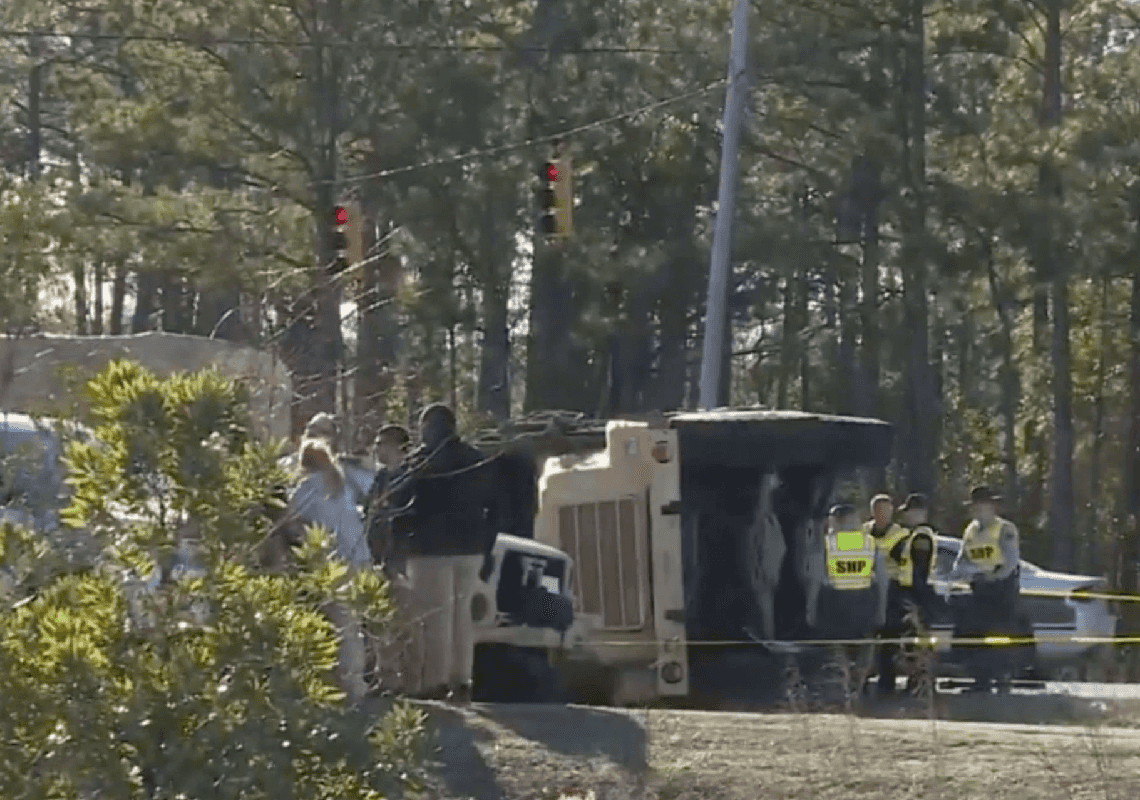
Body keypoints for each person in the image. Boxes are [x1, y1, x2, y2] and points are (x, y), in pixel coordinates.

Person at [387, 403, 499, 702]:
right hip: (470, 547)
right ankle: (462, 679)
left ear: (427, 428)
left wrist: (397, 546)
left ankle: (435, 682)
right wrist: (487, 546)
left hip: (429, 549)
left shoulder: (421, 462)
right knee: (463, 617)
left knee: (435, 617)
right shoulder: (476, 459)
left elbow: (399, 503)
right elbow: (494, 505)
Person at [284, 418, 372, 705]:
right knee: (352, 623)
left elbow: (290, 519)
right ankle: (355, 679)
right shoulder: (341, 484)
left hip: (333, 560)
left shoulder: (308, 487)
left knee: (337, 622)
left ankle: (345, 684)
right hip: (358, 556)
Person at [949, 486, 1022, 694]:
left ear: (992, 507)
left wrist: (994, 576)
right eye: (975, 507)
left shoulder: (1005, 529)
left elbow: (1010, 562)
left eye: (983, 506)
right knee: (978, 634)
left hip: (1001, 589)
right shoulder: (970, 531)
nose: (979, 511)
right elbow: (961, 561)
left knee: (1001, 634)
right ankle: (981, 679)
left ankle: (1002, 678)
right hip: (979, 589)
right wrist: (965, 573)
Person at [815, 502, 888, 705]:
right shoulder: (869, 542)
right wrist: (881, 607)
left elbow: (818, 578)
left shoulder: (827, 544)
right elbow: (882, 578)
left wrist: (812, 606)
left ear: (836, 520)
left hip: (836, 601)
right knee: (866, 643)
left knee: (837, 646)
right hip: (864, 600)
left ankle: (846, 681)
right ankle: (859, 681)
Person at [865, 493, 933, 699]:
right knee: (889, 639)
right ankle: (887, 682)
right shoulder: (864, 532)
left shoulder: (913, 536)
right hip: (879, 591)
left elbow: (919, 569)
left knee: (905, 640)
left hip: (905, 592)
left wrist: (916, 599)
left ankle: (911, 685)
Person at [362, 424, 412, 568]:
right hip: (377, 553)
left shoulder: (410, 476)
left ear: (395, 446)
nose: (375, 449)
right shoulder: (381, 476)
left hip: (400, 554)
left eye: (379, 443)